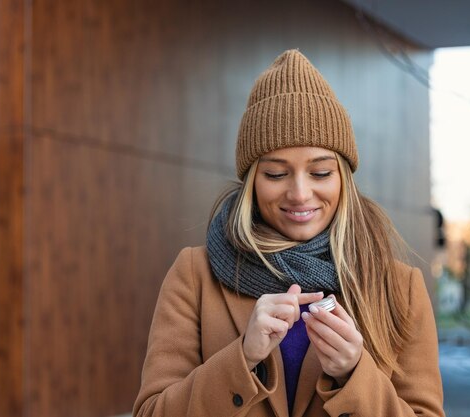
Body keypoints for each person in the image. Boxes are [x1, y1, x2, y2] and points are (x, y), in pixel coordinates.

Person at [133, 49, 445, 417]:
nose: (299, 193)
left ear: (343, 179)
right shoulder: (194, 275)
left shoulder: (399, 287)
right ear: (252, 181)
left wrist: (354, 375)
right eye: (276, 174)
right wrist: (242, 358)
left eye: (320, 173)